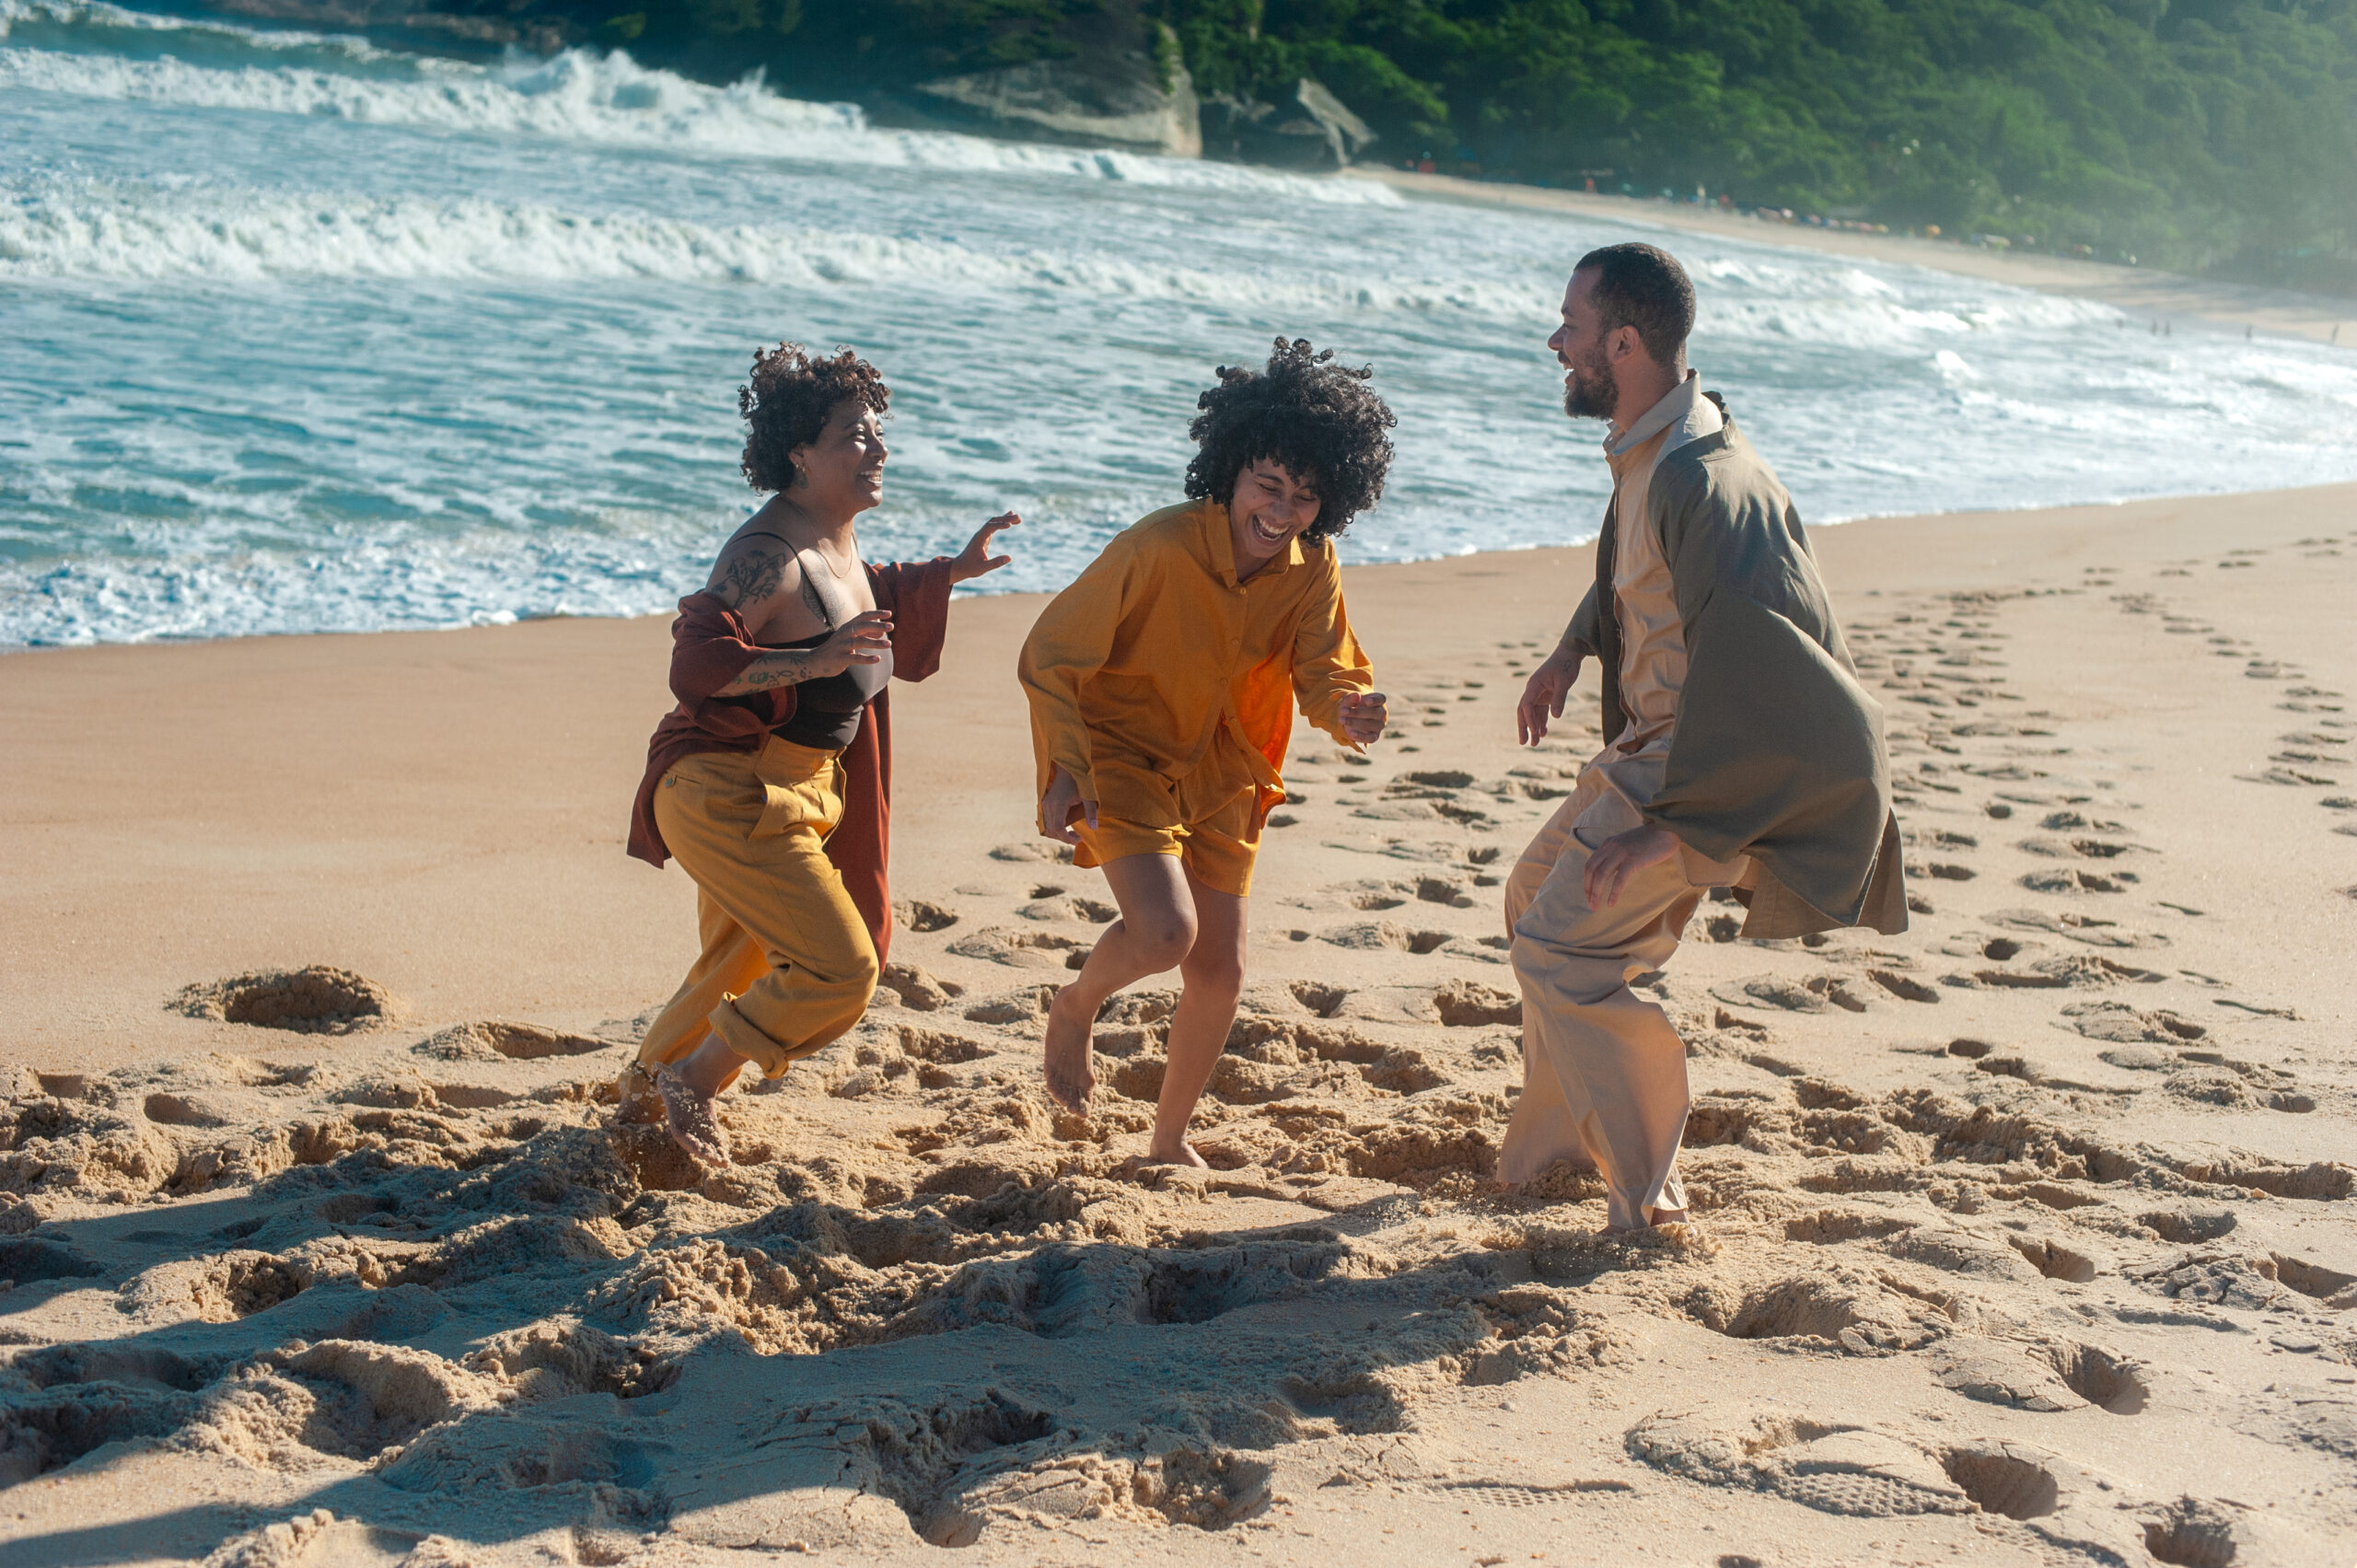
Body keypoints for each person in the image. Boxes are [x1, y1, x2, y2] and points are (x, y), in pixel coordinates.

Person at [1502, 244, 1907, 1230]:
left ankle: (1649, 1200)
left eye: (1572, 325)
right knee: (1530, 900)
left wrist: (1682, 831)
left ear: (1626, 342)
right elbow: (1637, 575)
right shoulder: (1657, 445)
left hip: (1695, 766)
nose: (1557, 342)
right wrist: (1569, 651)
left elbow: (1770, 669)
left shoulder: (1704, 480)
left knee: (1564, 946)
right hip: (1649, 753)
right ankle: (1553, 1150)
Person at [619, 343, 1017, 1165]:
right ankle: (690, 1081)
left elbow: (867, 593)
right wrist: (813, 661)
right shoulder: (766, 555)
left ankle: (640, 1104)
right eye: (855, 435)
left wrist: (953, 570)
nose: (877, 450)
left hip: (797, 791)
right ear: (800, 453)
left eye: (878, 433)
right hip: (725, 792)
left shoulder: (833, 544)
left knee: (735, 965)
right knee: (840, 967)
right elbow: (695, 663)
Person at [1018, 339, 1393, 1167]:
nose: (1282, 508)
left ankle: (1167, 1141)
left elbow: (1325, 668)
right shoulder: (1157, 546)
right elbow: (1051, 653)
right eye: (1268, 484)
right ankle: (1076, 1006)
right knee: (1164, 933)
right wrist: (1067, 766)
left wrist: (1347, 711)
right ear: (1231, 469)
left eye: (1305, 495)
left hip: (1229, 769)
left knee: (1219, 972)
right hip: (1123, 751)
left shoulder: (1313, 564)